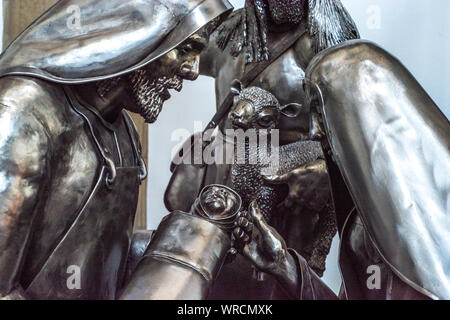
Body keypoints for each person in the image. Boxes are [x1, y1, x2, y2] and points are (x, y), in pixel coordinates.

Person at [0, 0, 233, 300]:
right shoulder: (21, 116)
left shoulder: (123, 128)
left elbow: (101, 264)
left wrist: (198, 239)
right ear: (135, 32)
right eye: (186, 48)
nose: (192, 71)